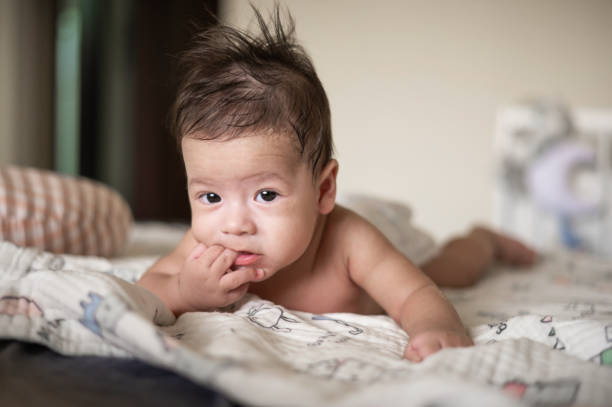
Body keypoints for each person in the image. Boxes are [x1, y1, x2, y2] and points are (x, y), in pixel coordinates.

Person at [137, 7, 536, 363]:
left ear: (324, 190)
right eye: (210, 196)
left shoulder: (350, 240)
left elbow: (415, 296)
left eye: (266, 195)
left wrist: (433, 327)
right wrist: (185, 291)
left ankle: (484, 239)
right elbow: (149, 287)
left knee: (452, 272)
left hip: (388, 232)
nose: (235, 224)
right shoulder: (208, 242)